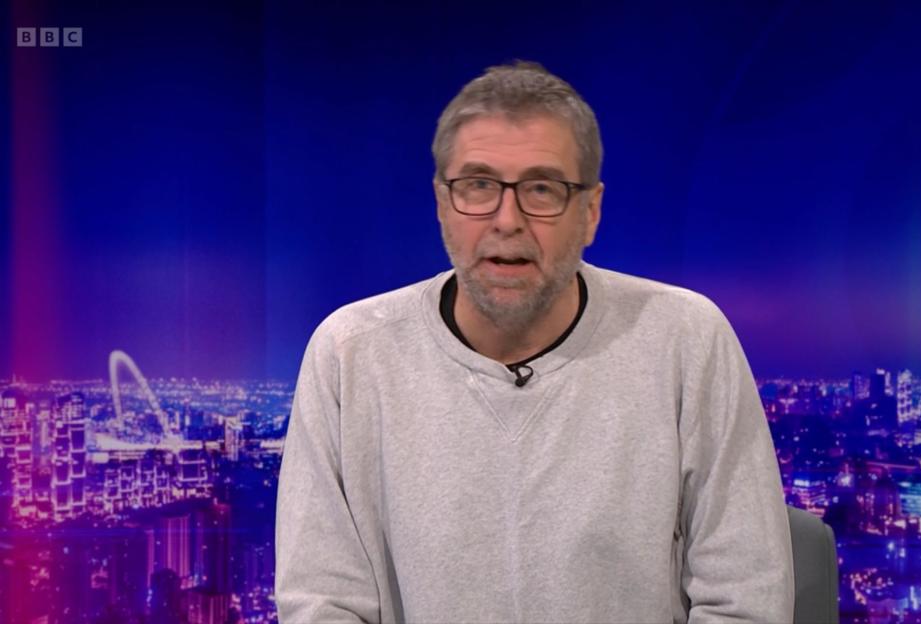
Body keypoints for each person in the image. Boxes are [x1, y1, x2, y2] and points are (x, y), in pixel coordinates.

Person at [275, 61, 794, 623]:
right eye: (478, 185)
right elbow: (321, 605)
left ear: (590, 212)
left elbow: (746, 599)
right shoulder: (350, 352)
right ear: (443, 206)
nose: (507, 220)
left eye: (542, 189)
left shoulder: (686, 340)